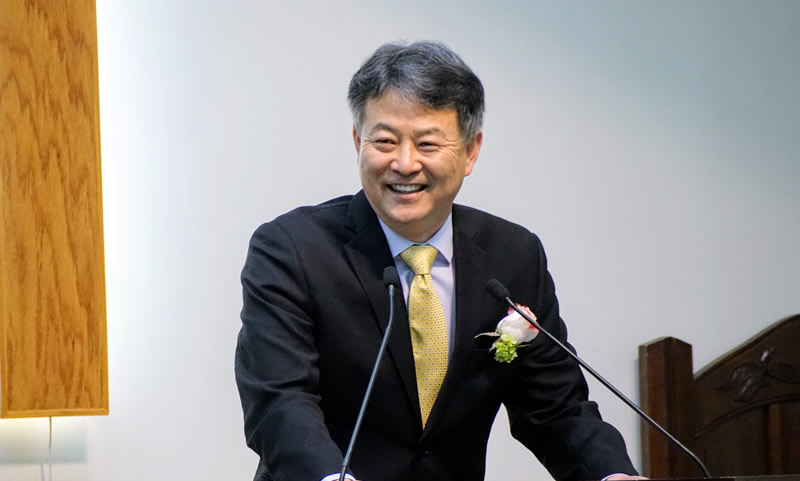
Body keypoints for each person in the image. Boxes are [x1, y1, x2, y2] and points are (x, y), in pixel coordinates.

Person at [235, 41, 640, 481]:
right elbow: (279, 403)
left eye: (427, 143)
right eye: (385, 141)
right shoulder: (292, 249)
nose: (404, 163)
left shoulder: (513, 257)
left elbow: (557, 410)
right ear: (357, 141)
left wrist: (611, 475)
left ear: (470, 151)